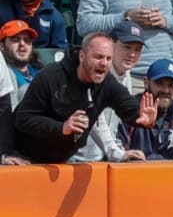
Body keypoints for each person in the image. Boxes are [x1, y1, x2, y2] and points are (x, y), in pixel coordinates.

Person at [13, 32, 155, 164]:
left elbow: (127, 106)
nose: (104, 63)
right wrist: (62, 127)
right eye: (98, 57)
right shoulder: (50, 76)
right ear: (82, 56)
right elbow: (23, 119)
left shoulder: (106, 82)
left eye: (108, 58)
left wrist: (142, 118)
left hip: (61, 161)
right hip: (25, 159)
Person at [75, 20, 149, 163]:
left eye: (137, 49)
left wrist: (117, 148)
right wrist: (115, 152)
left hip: (103, 156)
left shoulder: (126, 74)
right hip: (78, 158)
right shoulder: (95, 73)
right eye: (127, 47)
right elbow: (96, 119)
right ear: (112, 45)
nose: (132, 54)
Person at [119, 58, 173, 159]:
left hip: (172, 174)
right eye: (160, 83)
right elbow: (118, 155)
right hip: (136, 172)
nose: (166, 90)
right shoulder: (131, 110)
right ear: (146, 83)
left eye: (171, 85)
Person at [0, 18, 37, 102]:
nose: (22, 44)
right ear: (2, 46)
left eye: (27, 40)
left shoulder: (41, 71)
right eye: (15, 39)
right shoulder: (3, 75)